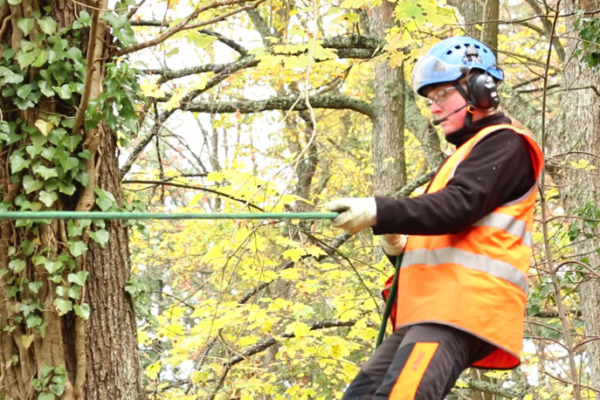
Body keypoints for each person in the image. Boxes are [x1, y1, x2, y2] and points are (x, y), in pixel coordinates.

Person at [324, 36, 544, 399]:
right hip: (429, 312)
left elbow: (456, 208)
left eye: (443, 96)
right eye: (431, 100)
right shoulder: (466, 155)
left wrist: (380, 211)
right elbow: (452, 228)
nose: (435, 108)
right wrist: (400, 246)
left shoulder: (506, 143)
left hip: (460, 309)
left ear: (479, 90)